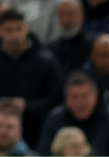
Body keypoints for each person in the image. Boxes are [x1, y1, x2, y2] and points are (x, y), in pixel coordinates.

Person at [0, 8, 64, 148]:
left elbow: (57, 99)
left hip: (37, 135)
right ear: (0, 31)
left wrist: (28, 106)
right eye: (9, 30)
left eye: (19, 29)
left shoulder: (46, 61)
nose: (15, 35)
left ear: (27, 29)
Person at [38, 71, 109, 157]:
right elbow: (44, 155)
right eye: (74, 97)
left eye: (85, 96)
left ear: (96, 97)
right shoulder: (55, 119)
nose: (80, 103)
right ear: (66, 100)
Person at [48, 0, 95, 74]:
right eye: (62, 14)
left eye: (71, 14)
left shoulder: (95, 45)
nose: (66, 20)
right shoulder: (50, 50)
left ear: (82, 15)